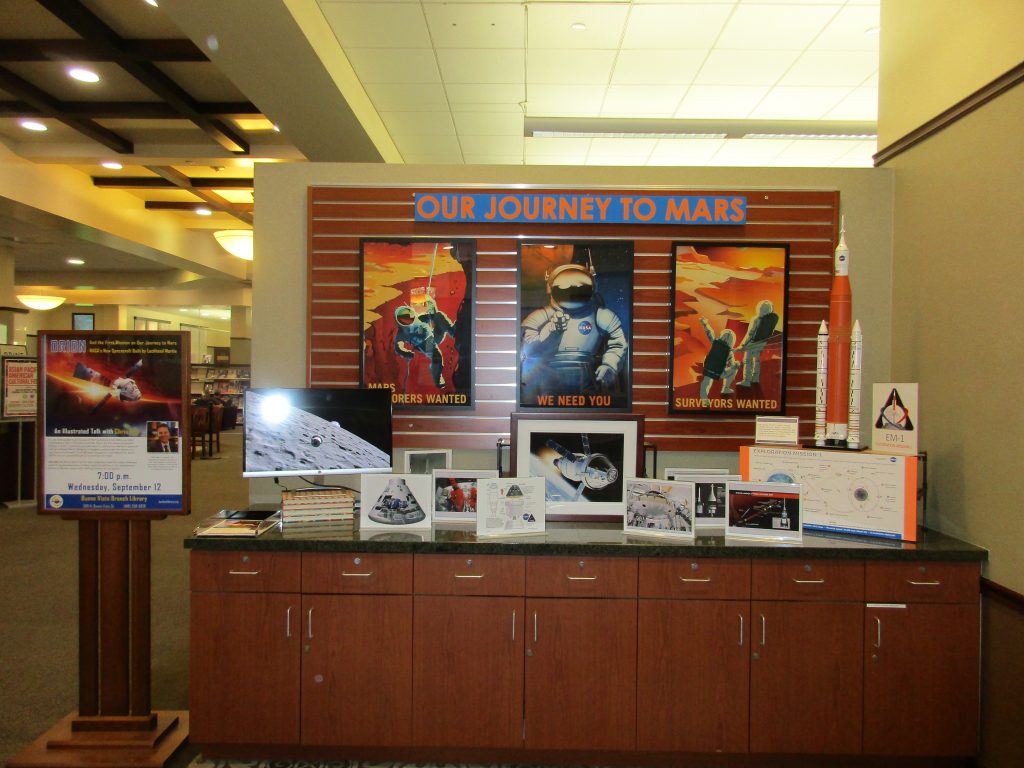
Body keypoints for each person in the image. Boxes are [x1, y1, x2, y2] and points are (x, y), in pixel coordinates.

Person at [520, 252, 627, 401]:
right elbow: (528, 350)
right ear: (551, 289)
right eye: (564, 289)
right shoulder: (541, 316)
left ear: (592, 288)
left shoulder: (600, 315)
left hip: (587, 381)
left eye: (579, 290)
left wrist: (610, 365)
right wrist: (552, 331)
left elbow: (618, 342)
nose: (572, 294)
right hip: (546, 381)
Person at [394, 295, 455, 389]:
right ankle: (437, 377)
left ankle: (454, 332)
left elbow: (433, 315)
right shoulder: (401, 333)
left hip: (433, 336)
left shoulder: (420, 319)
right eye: (404, 318)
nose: (408, 318)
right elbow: (398, 347)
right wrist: (407, 353)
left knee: (439, 316)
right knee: (437, 357)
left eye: (408, 315)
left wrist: (430, 303)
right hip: (425, 344)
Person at [736, 299, 779, 387]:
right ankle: (755, 378)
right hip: (762, 343)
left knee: (747, 361)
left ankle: (746, 381)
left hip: (753, 342)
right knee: (757, 360)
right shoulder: (771, 320)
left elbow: (750, 333)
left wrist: (743, 345)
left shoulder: (756, 319)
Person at [698, 317, 739, 406]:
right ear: (732, 341)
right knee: (734, 370)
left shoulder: (715, 342)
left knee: (706, 383)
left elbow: (709, 332)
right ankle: (726, 388)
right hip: (719, 373)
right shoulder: (729, 352)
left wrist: (705, 324)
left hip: (708, 369)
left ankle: (704, 398)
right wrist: (736, 365)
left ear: (722, 335)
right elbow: (732, 365)